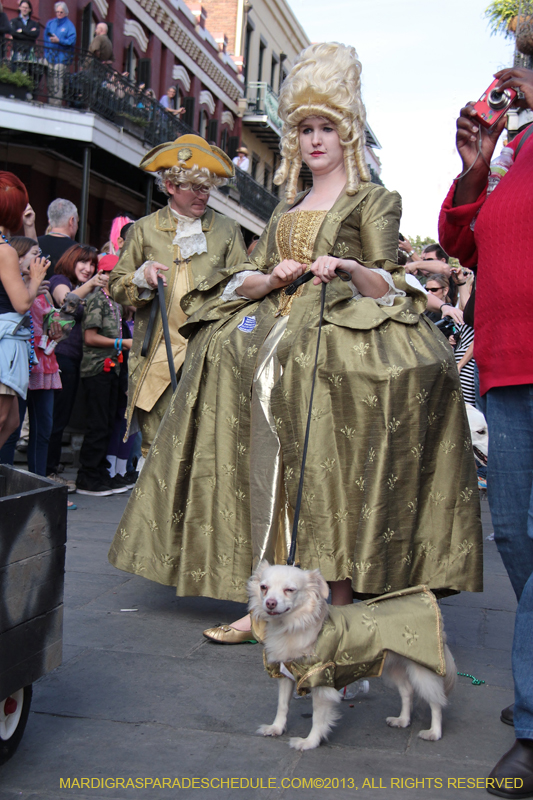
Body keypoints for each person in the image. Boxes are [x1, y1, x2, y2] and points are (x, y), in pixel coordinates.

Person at [108, 43, 482, 642]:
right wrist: (274, 275)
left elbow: (390, 277)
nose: (314, 140)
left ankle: (330, 599)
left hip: (335, 341)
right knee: (253, 451)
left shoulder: (373, 199)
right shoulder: (285, 210)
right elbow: (249, 273)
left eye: (326, 128)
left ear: (348, 134)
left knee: (326, 471)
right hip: (273, 337)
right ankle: (265, 598)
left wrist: (346, 266)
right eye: (305, 128)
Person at [439, 66, 533, 799]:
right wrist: (475, 172)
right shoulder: (515, 154)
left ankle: (530, 727)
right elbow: (462, 247)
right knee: (513, 535)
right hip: (506, 365)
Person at [108, 132, 248, 456]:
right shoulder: (144, 229)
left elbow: (245, 287)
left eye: (207, 188)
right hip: (157, 354)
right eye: (195, 188)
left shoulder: (228, 230)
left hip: (209, 355)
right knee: (156, 448)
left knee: (202, 447)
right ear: (171, 186)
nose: (204, 196)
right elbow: (116, 285)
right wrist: (141, 278)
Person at [46, 244, 105, 488]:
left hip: (75, 361)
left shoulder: (91, 291)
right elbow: (65, 302)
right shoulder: (60, 279)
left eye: (92, 264)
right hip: (60, 356)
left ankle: (49, 469)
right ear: (71, 260)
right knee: (54, 418)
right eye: (83, 262)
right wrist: (91, 285)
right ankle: (47, 473)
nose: (88, 268)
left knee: (59, 417)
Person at [76, 255, 131, 496]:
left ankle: (100, 473)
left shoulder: (116, 302)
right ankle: (87, 476)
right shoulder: (97, 299)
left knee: (108, 423)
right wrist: (121, 342)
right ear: (104, 275)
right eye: (113, 273)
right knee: (97, 424)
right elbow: (89, 337)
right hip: (97, 368)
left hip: (113, 368)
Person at [0, 173, 48, 449]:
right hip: (7, 339)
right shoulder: (5, 251)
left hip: (9, 338)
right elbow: (21, 303)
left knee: (12, 421)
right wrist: (37, 278)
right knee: (4, 417)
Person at [44, 2, 76, 106]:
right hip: (50, 56)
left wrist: (59, 40)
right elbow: (45, 39)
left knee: (58, 80)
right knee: (49, 79)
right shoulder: (50, 23)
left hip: (62, 58)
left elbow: (71, 41)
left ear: (66, 13)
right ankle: (50, 101)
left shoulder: (70, 26)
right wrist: (46, 52)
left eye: (61, 12)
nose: (59, 14)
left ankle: (56, 103)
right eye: (57, 12)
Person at [38, 198, 79, 277]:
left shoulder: (35, 244)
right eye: (77, 222)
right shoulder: (79, 251)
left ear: (50, 221)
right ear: (71, 221)